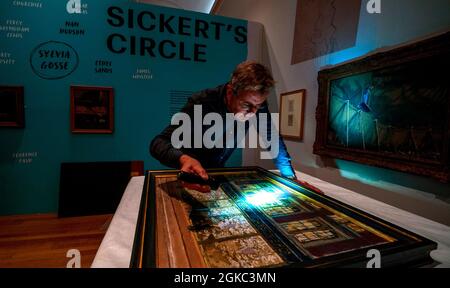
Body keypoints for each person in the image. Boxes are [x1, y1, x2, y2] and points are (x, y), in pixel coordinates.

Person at [150, 61, 298, 184]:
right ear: (230, 92)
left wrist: (290, 177)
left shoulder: (256, 107)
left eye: (258, 106)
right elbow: (158, 143)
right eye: (246, 105)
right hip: (190, 174)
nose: (253, 112)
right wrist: (184, 159)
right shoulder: (202, 103)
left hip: (218, 174)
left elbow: (272, 139)